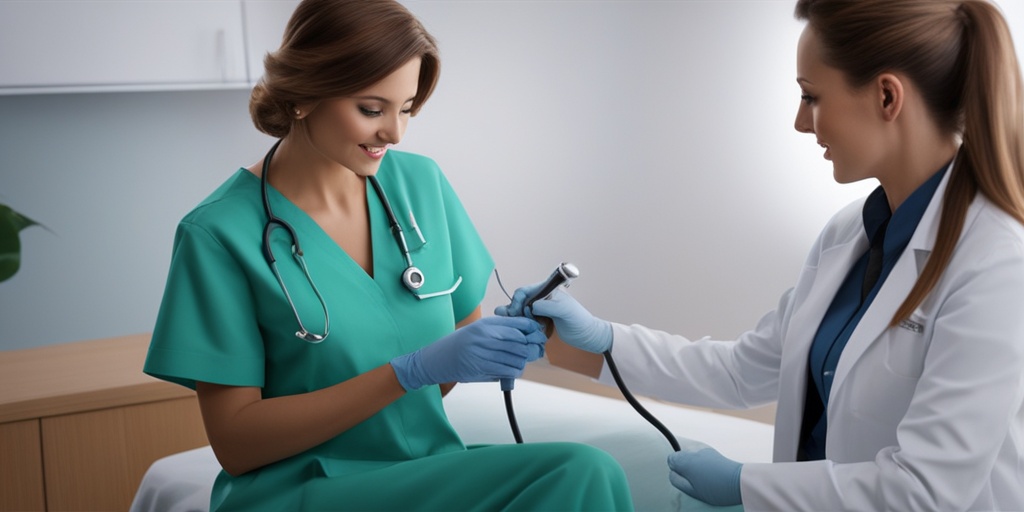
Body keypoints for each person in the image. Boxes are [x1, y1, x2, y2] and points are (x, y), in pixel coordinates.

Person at [499, 0, 1024, 510]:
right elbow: (741, 370)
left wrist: (748, 484)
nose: (801, 121)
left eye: (811, 96)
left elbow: (927, 491)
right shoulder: (851, 234)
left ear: (888, 98)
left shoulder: (998, 264)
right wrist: (591, 340)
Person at [143, 1, 634, 510]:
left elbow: (444, 370)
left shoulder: (421, 186)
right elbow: (237, 444)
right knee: (580, 472)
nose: (394, 134)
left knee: (583, 476)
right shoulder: (219, 233)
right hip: (301, 489)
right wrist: (406, 371)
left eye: (406, 109)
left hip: (422, 471)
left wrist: (503, 344)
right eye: (372, 110)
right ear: (304, 96)